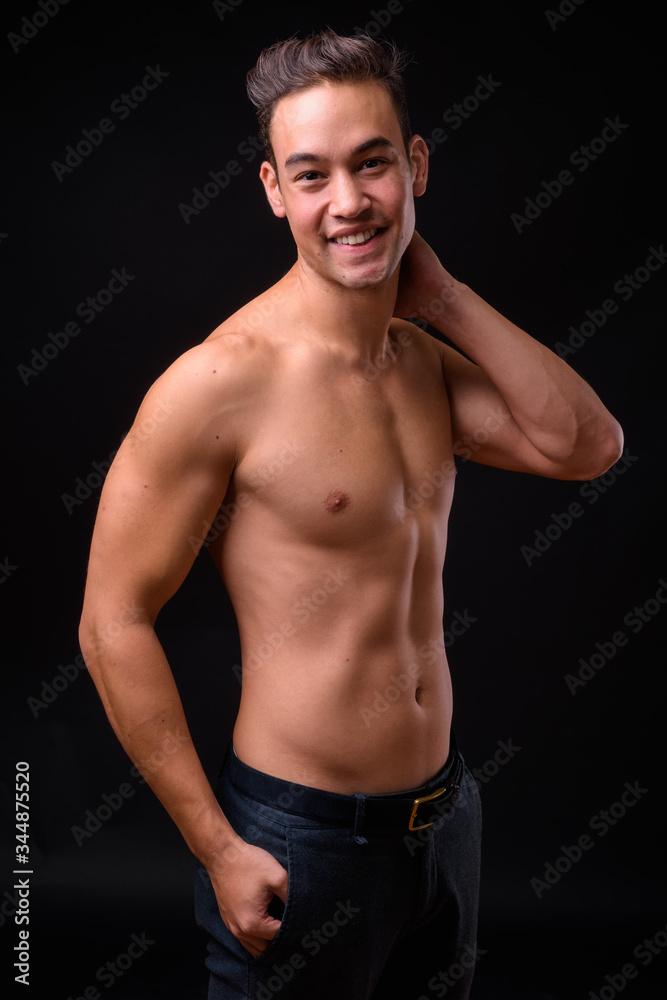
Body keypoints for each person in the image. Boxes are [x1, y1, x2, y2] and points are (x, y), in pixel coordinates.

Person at [78, 29, 623, 1000]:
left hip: (445, 822)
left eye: (372, 164)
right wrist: (217, 847)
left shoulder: (422, 366)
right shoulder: (216, 385)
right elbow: (110, 620)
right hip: (299, 839)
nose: (348, 203)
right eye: (311, 174)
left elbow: (585, 444)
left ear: (413, 166)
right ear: (272, 191)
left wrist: (444, 297)